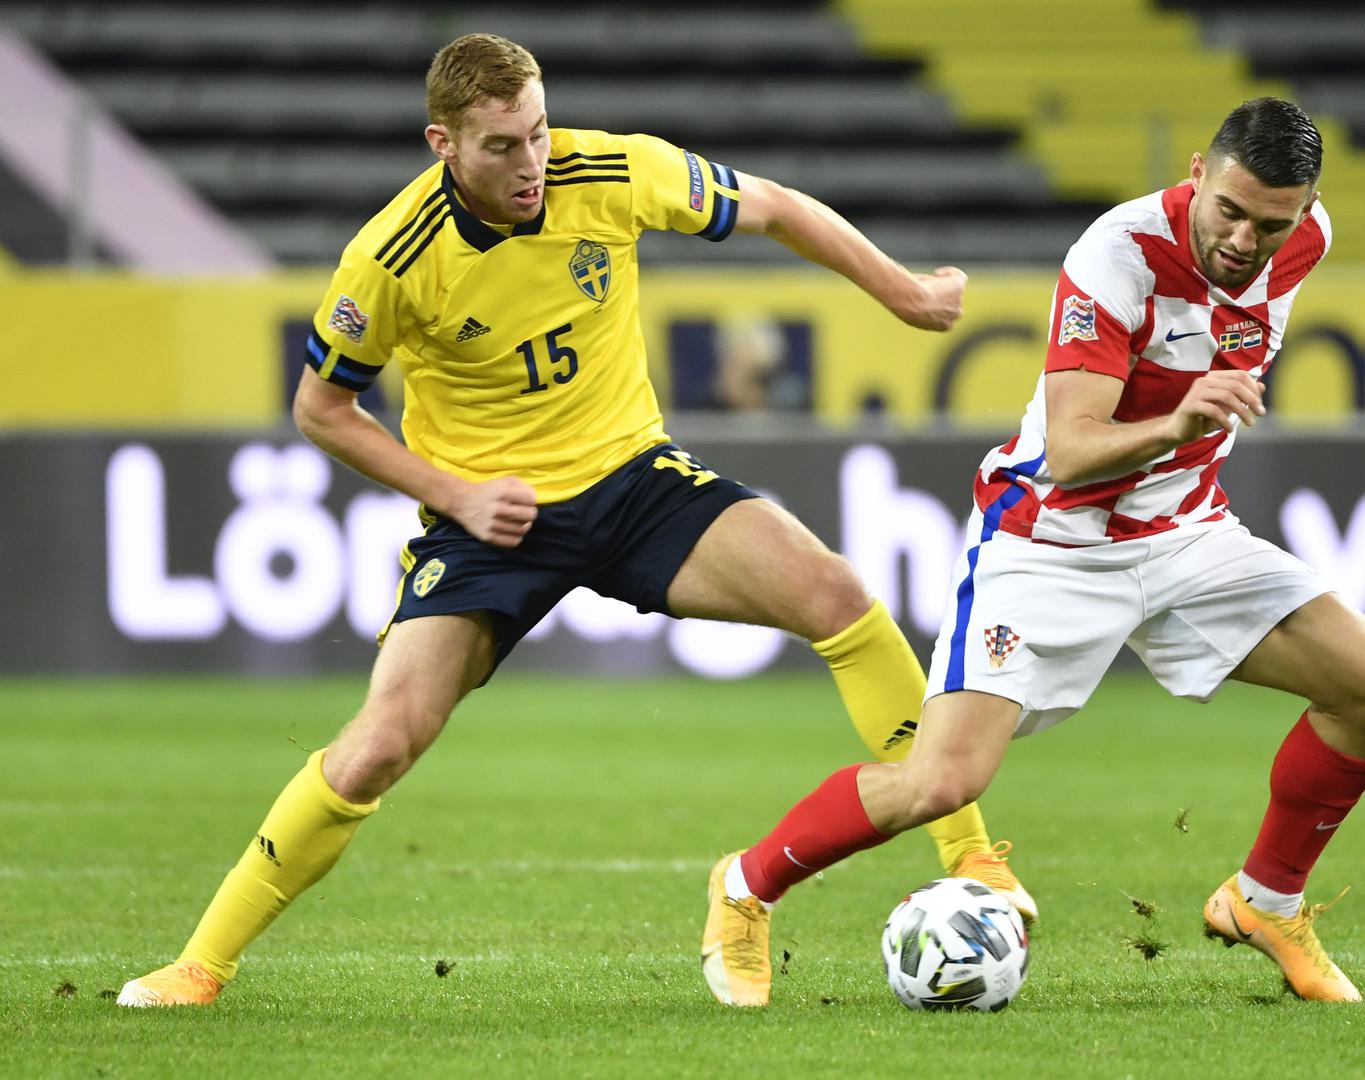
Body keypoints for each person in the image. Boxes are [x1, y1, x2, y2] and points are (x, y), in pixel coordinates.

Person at [115, 32, 1035, 1008]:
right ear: (443, 144)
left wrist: (902, 290)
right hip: (488, 524)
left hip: (632, 482)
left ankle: (969, 859)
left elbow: (772, 205)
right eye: (502, 145)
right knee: (380, 743)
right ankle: (199, 965)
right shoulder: (391, 257)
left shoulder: (612, 171)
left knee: (838, 596)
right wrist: (456, 494)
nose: (532, 163)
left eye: (539, 132)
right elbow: (320, 408)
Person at [701, 97, 1365, 1007]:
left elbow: (1250, 286)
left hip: (1185, 532)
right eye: (1229, 211)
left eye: (1269, 225)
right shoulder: (1117, 256)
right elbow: (1073, 452)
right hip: (1050, 539)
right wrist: (1181, 419)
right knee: (941, 782)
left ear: (1305, 210)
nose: (1245, 240)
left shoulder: (1307, 237)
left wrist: (1188, 436)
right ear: (1196, 174)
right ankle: (746, 886)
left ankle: (1264, 901)